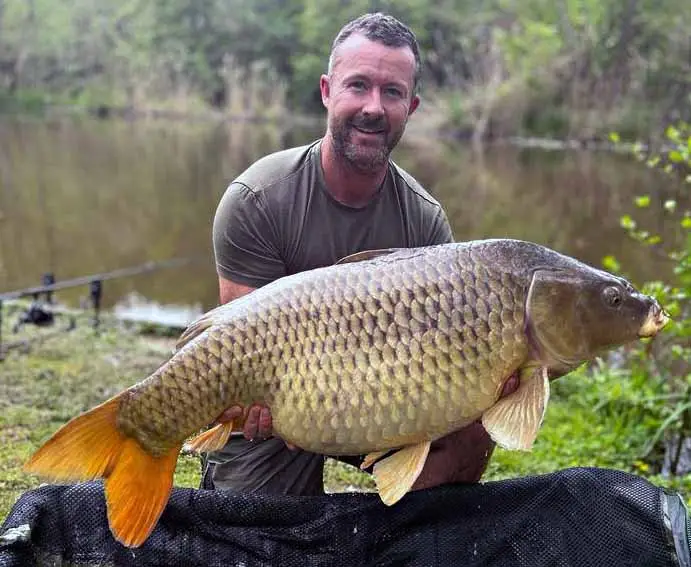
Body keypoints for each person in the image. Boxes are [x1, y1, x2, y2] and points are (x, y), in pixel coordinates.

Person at [203, 12, 518, 495]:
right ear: (328, 91)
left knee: (471, 431)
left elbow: (442, 354)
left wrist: (491, 378)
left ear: (411, 106)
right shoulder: (256, 199)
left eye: (391, 92)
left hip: (384, 394)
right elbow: (240, 352)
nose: (374, 107)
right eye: (358, 86)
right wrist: (254, 405)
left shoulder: (424, 220)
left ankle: (399, 533)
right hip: (285, 402)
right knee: (265, 532)